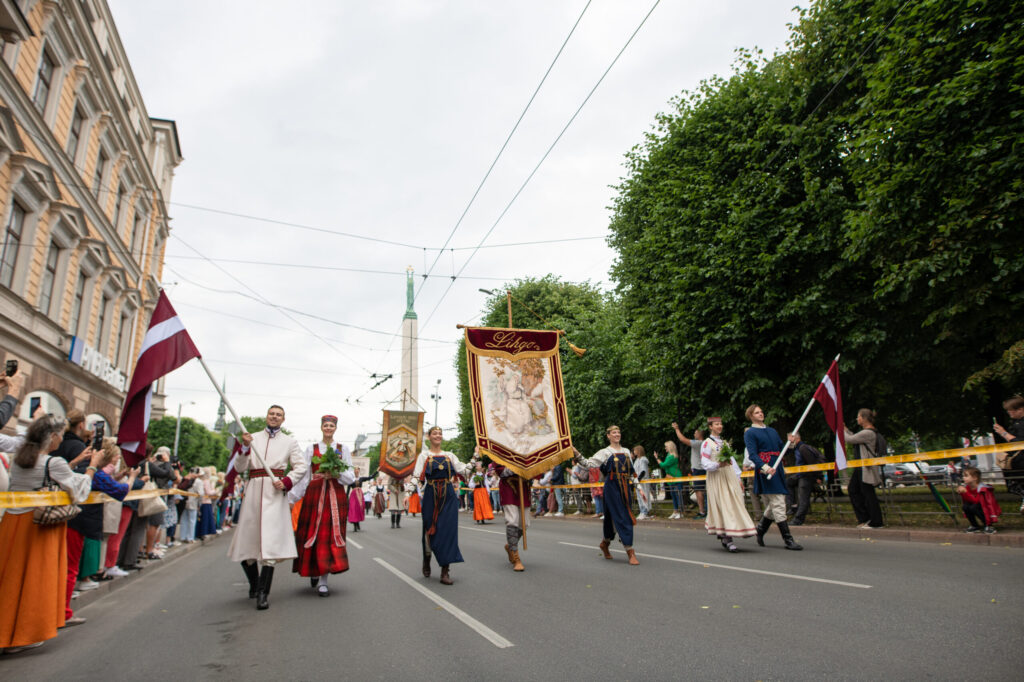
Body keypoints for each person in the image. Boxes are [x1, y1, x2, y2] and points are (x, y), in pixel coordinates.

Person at [0, 415, 102, 653]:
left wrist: (76, 461)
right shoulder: (52, 462)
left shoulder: (20, 459)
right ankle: (23, 634)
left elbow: (47, 472)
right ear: (53, 436)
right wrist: (92, 467)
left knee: (10, 579)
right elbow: (79, 491)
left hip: (12, 523)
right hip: (38, 526)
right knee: (34, 581)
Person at [228, 405, 307, 610]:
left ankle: (263, 593)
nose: (274, 417)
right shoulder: (251, 437)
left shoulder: (290, 441)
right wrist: (244, 448)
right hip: (253, 492)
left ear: (283, 419)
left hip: (275, 492)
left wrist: (288, 481)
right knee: (247, 544)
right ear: (266, 416)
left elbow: (301, 466)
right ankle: (254, 585)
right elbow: (240, 468)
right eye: (272, 414)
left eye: (278, 414)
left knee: (270, 545)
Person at [287, 415, 356, 597]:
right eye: (325, 425)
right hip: (315, 494)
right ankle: (314, 569)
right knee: (312, 533)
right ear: (321, 427)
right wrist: (291, 498)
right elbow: (303, 475)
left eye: (331, 425)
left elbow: (350, 476)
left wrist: (335, 472)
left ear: (335, 428)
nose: (328, 428)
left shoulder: (343, 449)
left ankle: (324, 581)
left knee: (330, 537)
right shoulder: (311, 448)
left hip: (335, 494)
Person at [413, 426, 468, 585]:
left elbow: (463, 470)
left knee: (449, 531)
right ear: (428, 437)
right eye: (434, 433)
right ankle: (427, 558)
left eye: (440, 433)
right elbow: (417, 477)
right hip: (431, 495)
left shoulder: (449, 455)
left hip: (448, 495)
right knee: (430, 530)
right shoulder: (424, 456)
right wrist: (409, 492)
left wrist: (476, 456)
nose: (438, 436)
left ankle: (445, 571)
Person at [744, 404, 802, 550]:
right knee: (778, 503)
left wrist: (790, 444)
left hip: (777, 469)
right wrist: (765, 468)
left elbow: (782, 451)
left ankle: (760, 530)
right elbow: (753, 455)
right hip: (766, 471)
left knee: (773, 505)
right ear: (751, 416)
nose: (761, 414)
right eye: (757, 412)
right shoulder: (750, 433)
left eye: (761, 411)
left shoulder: (772, 431)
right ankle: (788, 540)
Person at [580, 426, 640, 565]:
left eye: (618, 432)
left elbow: (632, 471)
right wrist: (577, 453)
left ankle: (605, 543)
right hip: (612, 488)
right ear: (608, 436)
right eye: (614, 432)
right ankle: (630, 550)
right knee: (623, 517)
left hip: (625, 488)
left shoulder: (625, 451)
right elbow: (588, 464)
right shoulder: (605, 452)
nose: (617, 434)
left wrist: (639, 488)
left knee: (612, 518)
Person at [701, 417, 756, 552]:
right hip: (717, 478)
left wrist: (738, 478)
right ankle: (727, 538)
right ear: (710, 427)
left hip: (728, 476)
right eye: (716, 424)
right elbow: (704, 463)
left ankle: (736, 531)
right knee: (724, 505)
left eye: (720, 424)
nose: (720, 426)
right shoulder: (707, 443)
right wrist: (718, 465)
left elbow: (732, 461)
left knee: (734, 503)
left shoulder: (724, 442)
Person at [843, 408, 885, 530]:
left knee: (868, 494)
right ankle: (865, 518)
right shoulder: (866, 433)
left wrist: (840, 429)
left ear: (864, 418)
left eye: (858, 416)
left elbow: (850, 439)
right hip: (861, 467)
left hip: (866, 468)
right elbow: (854, 437)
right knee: (854, 490)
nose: (857, 419)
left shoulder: (868, 433)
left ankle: (876, 522)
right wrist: (844, 429)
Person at [493, 462, 532, 572]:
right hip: (508, 487)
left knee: (525, 524)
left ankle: (510, 545)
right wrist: (517, 467)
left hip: (524, 487)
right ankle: (516, 558)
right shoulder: (500, 449)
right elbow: (500, 471)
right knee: (512, 520)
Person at [993, 395, 1024, 512]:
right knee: (1014, 485)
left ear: (1020, 409)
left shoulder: (1022, 424)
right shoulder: (1016, 423)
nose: (1008, 413)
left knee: (1015, 485)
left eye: (1010, 410)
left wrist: (1003, 433)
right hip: (1017, 462)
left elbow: (1019, 443)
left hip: (1021, 462)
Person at [786, 433, 824, 526]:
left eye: (790, 439)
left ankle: (798, 519)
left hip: (807, 475)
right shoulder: (796, 448)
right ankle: (793, 506)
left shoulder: (803, 448)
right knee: (787, 483)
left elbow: (812, 463)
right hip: (801, 474)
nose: (789, 441)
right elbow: (785, 452)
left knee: (803, 497)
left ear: (796, 438)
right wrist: (789, 444)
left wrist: (818, 477)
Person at [673, 422, 707, 518]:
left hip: (698, 470)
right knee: (701, 490)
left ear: (700, 434)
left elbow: (682, 439)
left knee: (699, 490)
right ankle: (705, 510)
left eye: (695, 433)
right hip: (701, 469)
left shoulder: (698, 443)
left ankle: (702, 512)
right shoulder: (704, 443)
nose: (694, 434)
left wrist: (676, 429)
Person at [957, 466, 1000, 533]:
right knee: (965, 506)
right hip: (976, 506)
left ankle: (988, 525)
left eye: (966, 476)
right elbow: (967, 500)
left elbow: (976, 500)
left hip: (985, 509)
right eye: (963, 476)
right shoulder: (967, 487)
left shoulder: (982, 488)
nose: (963, 478)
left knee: (974, 507)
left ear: (975, 478)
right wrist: (962, 493)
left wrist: (965, 492)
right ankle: (974, 526)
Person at [653, 441, 684, 519]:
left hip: (676, 478)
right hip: (671, 478)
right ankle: (675, 511)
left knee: (678, 496)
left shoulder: (671, 456)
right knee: (674, 496)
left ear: (670, 447)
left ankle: (680, 512)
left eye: (666, 446)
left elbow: (663, 465)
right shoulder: (669, 455)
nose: (665, 448)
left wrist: (657, 458)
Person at [632, 445, 651, 520]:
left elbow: (643, 471)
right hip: (637, 481)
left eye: (635, 450)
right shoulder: (637, 460)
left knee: (644, 496)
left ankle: (645, 511)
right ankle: (641, 510)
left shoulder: (643, 459)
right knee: (639, 497)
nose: (634, 452)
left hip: (642, 481)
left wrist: (638, 479)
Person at [348, 467, 369, 532]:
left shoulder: (361, 478)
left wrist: (377, 471)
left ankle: (357, 523)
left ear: (359, 471)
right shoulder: (351, 479)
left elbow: (370, 477)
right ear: (354, 471)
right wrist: (346, 497)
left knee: (359, 509)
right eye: (355, 470)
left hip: (360, 495)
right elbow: (348, 489)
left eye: (357, 470)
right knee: (353, 509)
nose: (356, 471)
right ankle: (355, 525)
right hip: (353, 495)